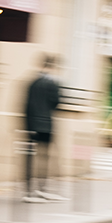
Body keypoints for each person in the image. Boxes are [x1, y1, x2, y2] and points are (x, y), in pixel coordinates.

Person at [23, 54, 67, 203]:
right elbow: (56, 102)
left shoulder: (32, 83)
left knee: (29, 157)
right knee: (45, 158)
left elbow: (26, 105)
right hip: (46, 125)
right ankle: (42, 188)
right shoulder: (53, 83)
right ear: (53, 66)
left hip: (31, 125)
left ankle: (29, 191)